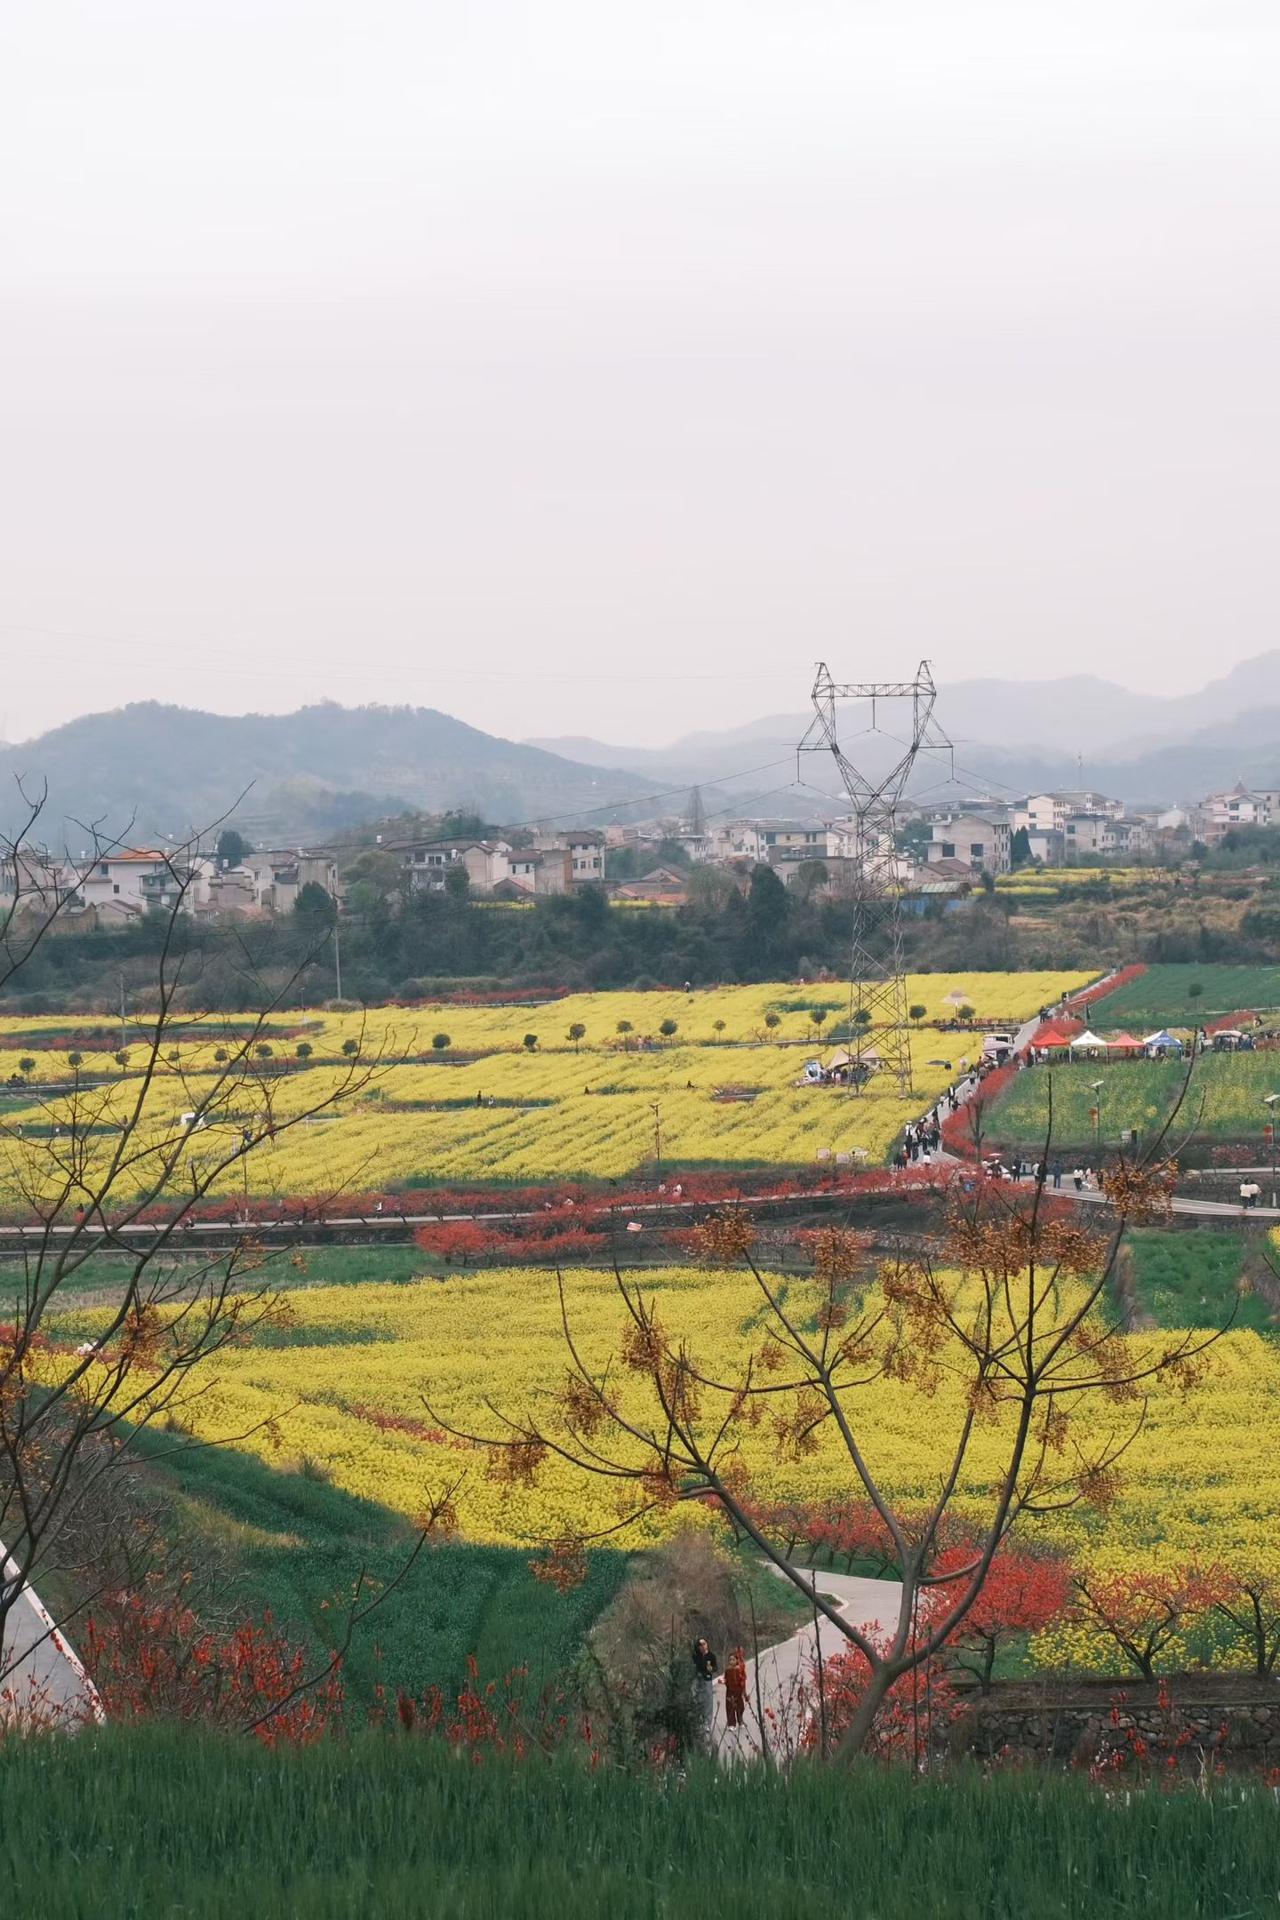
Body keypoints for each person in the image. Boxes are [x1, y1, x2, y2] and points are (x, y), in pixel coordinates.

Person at [691, 1637, 717, 1741]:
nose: (702, 1646)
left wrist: (711, 1669)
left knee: (708, 1700)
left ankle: (707, 1723)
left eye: (704, 1644)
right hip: (697, 1679)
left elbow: (715, 1668)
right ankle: (698, 1722)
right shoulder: (695, 1656)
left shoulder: (711, 1656)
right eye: (700, 1644)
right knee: (696, 1698)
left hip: (707, 1679)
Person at [723, 1647, 748, 1732]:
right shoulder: (727, 1670)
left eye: (733, 1659)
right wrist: (724, 1681)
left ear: (737, 1660)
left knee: (740, 1706)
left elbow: (743, 1681)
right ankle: (731, 1724)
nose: (731, 1661)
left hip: (738, 1691)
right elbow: (726, 1680)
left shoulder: (740, 1670)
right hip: (730, 1691)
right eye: (730, 1660)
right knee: (730, 1707)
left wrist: (744, 1692)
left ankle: (740, 1721)